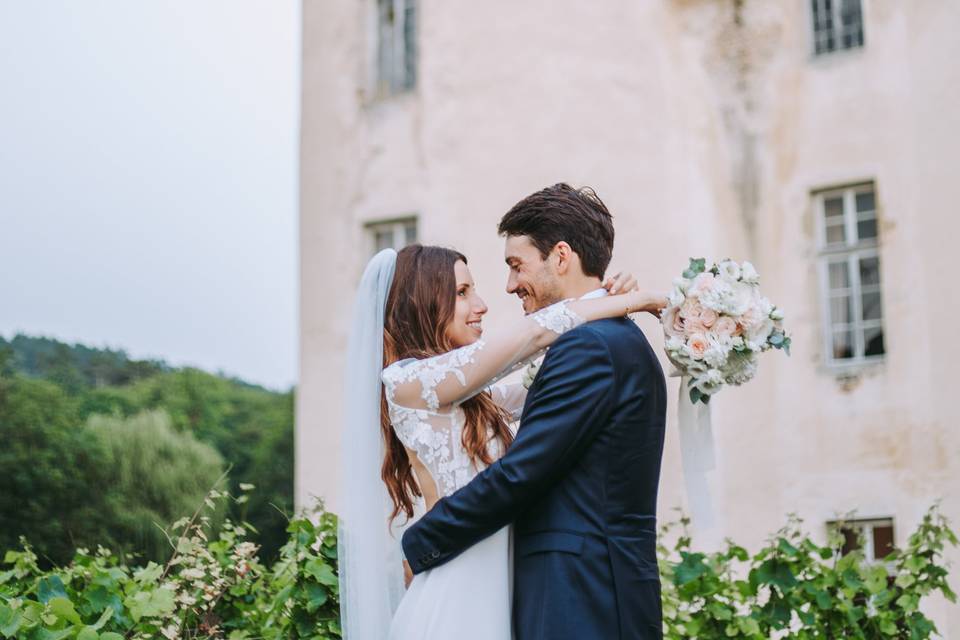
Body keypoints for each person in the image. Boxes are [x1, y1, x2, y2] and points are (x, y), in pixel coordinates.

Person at [400, 184, 669, 639]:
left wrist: (419, 542)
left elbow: (522, 472)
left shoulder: (590, 346)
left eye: (515, 265)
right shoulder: (603, 338)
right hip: (575, 589)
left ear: (560, 256)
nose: (508, 286)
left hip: (582, 597)